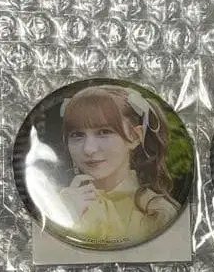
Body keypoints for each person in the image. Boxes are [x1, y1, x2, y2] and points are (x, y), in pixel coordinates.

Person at [51, 84, 178, 244]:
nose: (89, 149)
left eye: (104, 132)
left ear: (135, 137)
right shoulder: (55, 204)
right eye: (77, 135)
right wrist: (66, 216)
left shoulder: (157, 212)